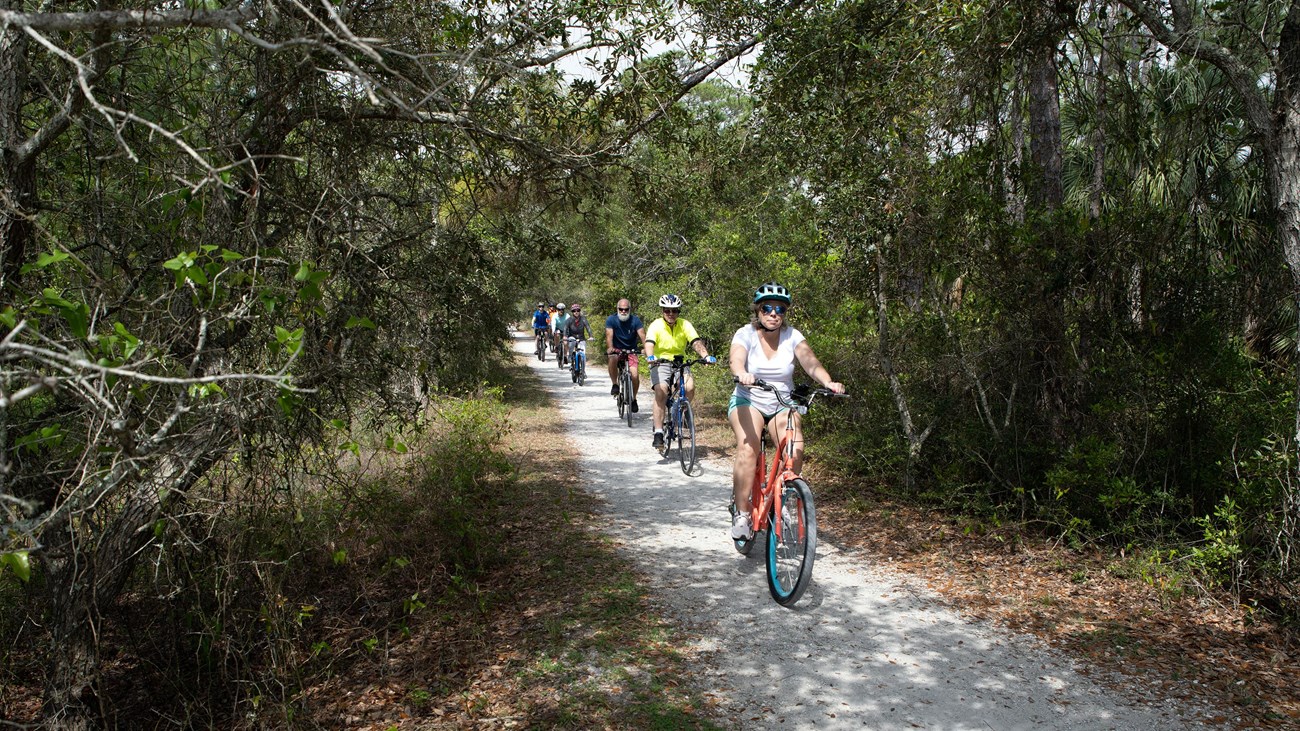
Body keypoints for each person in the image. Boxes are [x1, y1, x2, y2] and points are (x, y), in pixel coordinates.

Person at [727, 282, 844, 540]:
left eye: (779, 309)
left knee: (794, 446)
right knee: (749, 447)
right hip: (749, 398)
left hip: (782, 401)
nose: (773, 314)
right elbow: (736, 357)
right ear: (758, 311)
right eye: (767, 308)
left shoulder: (793, 336)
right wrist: (741, 373)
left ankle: (786, 499)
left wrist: (828, 382)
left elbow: (810, 361)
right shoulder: (745, 333)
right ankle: (743, 513)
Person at [644, 293, 716, 451]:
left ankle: (678, 411)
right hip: (660, 362)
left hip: (679, 362)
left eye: (674, 311)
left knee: (689, 387)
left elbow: (695, 342)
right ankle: (658, 432)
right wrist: (650, 356)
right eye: (667, 310)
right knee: (661, 391)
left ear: (678, 312)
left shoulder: (684, 324)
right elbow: (649, 343)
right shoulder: (656, 325)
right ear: (662, 311)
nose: (671, 314)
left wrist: (705, 356)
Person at [605, 298, 647, 412]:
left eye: (626, 309)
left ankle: (633, 399)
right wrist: (610, 348)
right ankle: (615, 384)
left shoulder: (635, 320)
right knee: (612, 358)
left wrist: (647, 349)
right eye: (621, 309)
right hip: (617, 350)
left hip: (631, 350)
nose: (623, 311)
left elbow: (643, 335)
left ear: (629, 309)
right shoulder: (611, 319)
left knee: (634, 375)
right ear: (617, 309)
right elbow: (609, 335)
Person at [552, 303, 571, 367]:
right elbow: (553, 324)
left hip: (565, 329)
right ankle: (557, 346)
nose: (561, 311)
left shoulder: (567, 316)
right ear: (557, 310)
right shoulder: (555, 316)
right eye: (559, 309)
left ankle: (565, 356)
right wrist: (553, 330)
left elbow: (570, 323)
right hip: (558, 328)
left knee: (565, 342)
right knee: (557, 334)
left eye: (562, 309)